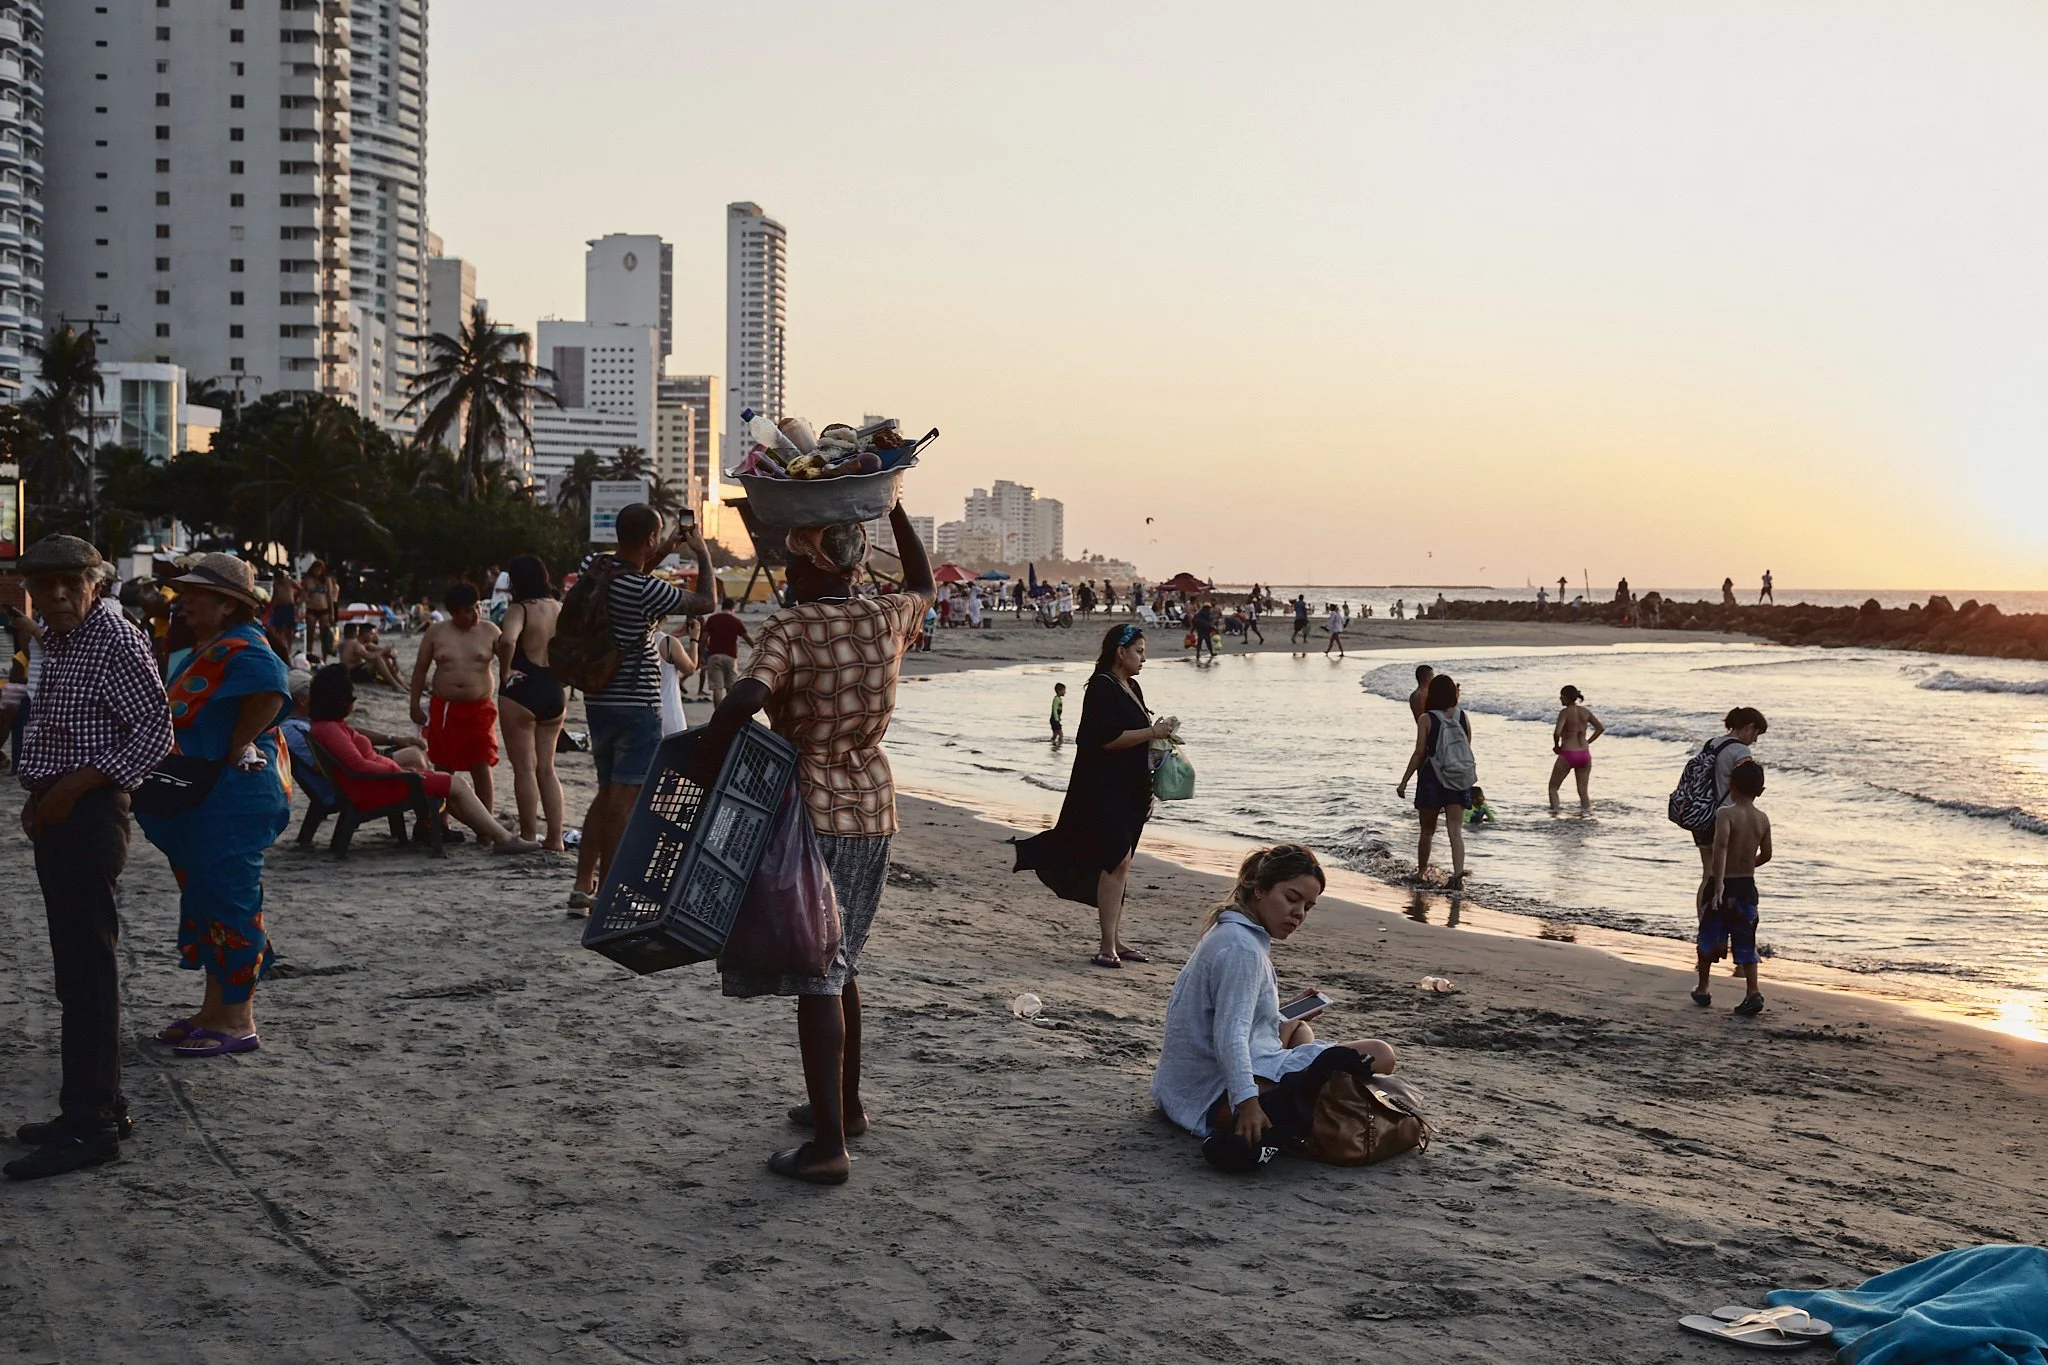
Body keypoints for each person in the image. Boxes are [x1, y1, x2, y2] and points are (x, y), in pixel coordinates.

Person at [693, 506, 934, 1186]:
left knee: (817, 971)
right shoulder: (884, 617)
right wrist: (892, 504)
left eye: (793, 564)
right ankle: (846, 1107)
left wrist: (706, 760)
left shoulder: (791, 627)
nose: (787, 575)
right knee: (842, 959)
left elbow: (744, 698)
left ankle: (829, 1146)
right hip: (874, 805)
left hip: (810, 810)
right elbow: (922, 581)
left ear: (813, 566)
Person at [6, 537, 173, 1181]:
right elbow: (57, 725)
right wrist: (39, 793)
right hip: (61, 810)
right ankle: (101, 1103)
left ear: (94, 583)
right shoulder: (60, 640)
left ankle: (90, 1125)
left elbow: (156, 734)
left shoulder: (115, 638)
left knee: (86, 968)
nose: (54, 596)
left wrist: (74, 786)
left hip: (91, 814)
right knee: (75, 965)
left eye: (68, 583)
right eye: (42, 585)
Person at [1151, 844, 1400, 1174]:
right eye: (1291, 898)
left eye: (1308, 907)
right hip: (1210, 1097)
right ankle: (1301, 1080)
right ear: (1260, 889)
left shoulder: (1232, 931)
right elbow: (1230, 1035)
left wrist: (1277, 1016)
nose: (1299, 913)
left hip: (1179, 1086)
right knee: (1381, 1054)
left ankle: (1303, 1063)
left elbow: (1231, 1019)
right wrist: (1249, 1105)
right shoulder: (1242, 950)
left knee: (1296, 1026)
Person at [133, 554, 293, 1063]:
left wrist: (237, 743)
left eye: (195, 595)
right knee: (208, 902)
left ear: (226, 605)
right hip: (207, 801)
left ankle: (237, 1020)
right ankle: (212, 1010)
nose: (184, 602)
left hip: (233, 798)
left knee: (230, 904)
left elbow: (272, 691)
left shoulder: (247, 649)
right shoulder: (215, 645)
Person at [569, 504, 716, 915]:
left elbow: (634, 573)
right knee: (625, 803)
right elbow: (705, 601)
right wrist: (700, 552)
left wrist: (666, 548)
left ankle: (584, 887)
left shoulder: (600, 573)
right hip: (636, 704)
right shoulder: (641, 590)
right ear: (649, 539)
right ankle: (611, 896)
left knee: (606, 794)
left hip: (599, 702)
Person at [1015, 623, 1176, 968]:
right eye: (1139, 652)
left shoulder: (1132, 686)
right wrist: (1153, 731)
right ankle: (1107, 946)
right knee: (1114, 861)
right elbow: (1105, 739)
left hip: (1133, 787)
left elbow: (1135, 736)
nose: (1144, 658)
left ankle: (1115, 940)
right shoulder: (1101, 687)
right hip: (1105, 789)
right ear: (1121, 652)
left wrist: (1158, 740)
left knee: (1123, 862)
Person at [308, 666, 541, 854]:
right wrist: (401, 772)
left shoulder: (328, 726)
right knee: (457, 785)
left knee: (448, 785)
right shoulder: (331, 730)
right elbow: (358, 766)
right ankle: (502, 838)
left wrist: (396, 765)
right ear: (340, 701)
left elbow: (357, 760)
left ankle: (491, 829)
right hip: (380, 788)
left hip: (377, 783)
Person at [410, 582, 502, 822]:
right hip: (444, 708)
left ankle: (487, 824)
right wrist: (414, 704)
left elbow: (512, 664)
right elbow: (420, 669)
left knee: (481, 766)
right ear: (454, 612)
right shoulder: (437, 632)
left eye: (478, 607)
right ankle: (442, 823)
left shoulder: (491, 631)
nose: (475, 614)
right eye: (469, 610)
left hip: (479, 708)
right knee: (442, 766)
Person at [496, 555, 567, 850]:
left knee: (524, 768)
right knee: (547, 769)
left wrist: (504, 672)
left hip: (522, 690)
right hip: (553, 690)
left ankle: (528, 835)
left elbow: (508, 641)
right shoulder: (561, 608)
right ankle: (555, 838)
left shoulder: (520, 608)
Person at [1696, 759, 1772, 1016]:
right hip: (1747, 886)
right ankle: (1752, 991)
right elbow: (1768, 854)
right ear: (1760, 791)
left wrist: (1717, 884)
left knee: (1709, 936)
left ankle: (1703, 987)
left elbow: (1721, 847)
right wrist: (1749, 864)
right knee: (1746, 939)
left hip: (1724, 883)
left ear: (1731, 786)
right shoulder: (1762, 818)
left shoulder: (1725, 814)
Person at [1397, 673, 1474, 886]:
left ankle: (1421, 872)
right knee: (1455, 831)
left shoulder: (1426, 718)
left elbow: (1419, 753)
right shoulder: (1462, 716)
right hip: (1458, 777)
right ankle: (1457, 876)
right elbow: (1466, 746)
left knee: (1427, 831)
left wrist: (1404, 781)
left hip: (1432, 777)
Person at [1690, 707, 1768, 876]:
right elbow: (1746, 785)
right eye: (1756, 734)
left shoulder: (1712, 743)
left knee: (1708, 874)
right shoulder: (1741, 751)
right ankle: (1721, 902)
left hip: (1701, 814)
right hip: (1727, 818)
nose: (1755, 740)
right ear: (1749, 727)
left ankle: (1705, 903)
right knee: (1726, 874)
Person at [1548, 684, 1606, 814]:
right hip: (1584, 754)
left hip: (1568, 753)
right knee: (1583, 792)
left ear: (1566, 698)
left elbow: (1557, 733)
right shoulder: (1585, 712)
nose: (1560, 698)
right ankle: (1587, 815)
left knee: (1553, 788)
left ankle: (1555, 814)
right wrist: (1588, 741)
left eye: (1561, 696)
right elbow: (1600, 728)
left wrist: (1557, 746)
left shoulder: (1564, 713)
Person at [698, 600, 751, 705]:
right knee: (730, 688)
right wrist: (759, 649)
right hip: (730, 657)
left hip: (714, 656)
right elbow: (748, 639)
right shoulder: (736, 621)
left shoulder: (712, 619)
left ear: (722, 607)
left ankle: (718, 716)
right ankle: (730, 714)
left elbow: (704, 638)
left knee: (717, 688)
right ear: (733, 608)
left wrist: (701, 655)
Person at [342, 622, 405, 690]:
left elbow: (387, 650)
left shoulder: (366, 643)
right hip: (351, 674)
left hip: (360, 670)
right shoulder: (355, 643)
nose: (374, 636)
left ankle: (401, 682)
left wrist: (393, 659)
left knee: (383, 657)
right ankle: (395, 685)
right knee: (378, 659)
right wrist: (384, 651)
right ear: (365, 634)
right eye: (371, 634)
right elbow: (369, 656)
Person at [301, 559, 339, 662]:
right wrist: (304, 599)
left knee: (324, 635)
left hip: (324, 609)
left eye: (319, 570)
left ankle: (324, 659)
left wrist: (332, 613)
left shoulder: (327, 580)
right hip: (312, 609)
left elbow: (330, 597)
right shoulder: (308, 580)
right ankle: (309, 656)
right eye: (316, 569)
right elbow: (303, 593)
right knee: (310, 634)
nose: (317, 572)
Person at [264, 565, 299, 658]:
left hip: (289, 606)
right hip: (279, 607)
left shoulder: (290, 582)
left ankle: (289, 647)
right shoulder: (276, 584)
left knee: (289, 628)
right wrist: (271, 607)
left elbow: (300, 589)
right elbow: (275, 595)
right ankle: (281, 647)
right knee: (278, 628)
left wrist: (297, 600)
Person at [1049, 681, 1066, 748]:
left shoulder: (1058, 699)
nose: (1065, 692)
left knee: (1055, 734)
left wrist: (1058, 718)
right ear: (1059, 691)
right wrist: (1056, 719)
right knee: (1061, 734)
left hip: (1054, 719)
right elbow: (1054, 709)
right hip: (1054, 719)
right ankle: (1059, 746)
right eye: (1064, 690)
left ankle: (1053, 745)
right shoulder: (1056, 699)